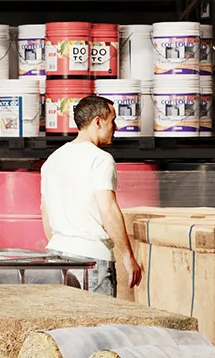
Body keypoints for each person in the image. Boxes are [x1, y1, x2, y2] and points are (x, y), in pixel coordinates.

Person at [40, 93, 140, 296]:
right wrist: (128, 256)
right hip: (91, 259)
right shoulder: (100, 159)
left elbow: (45, 212)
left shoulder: (52, 160)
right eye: (113, 121)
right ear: (98, 122)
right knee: (98, 326)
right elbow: (108, 209)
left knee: (64, 325)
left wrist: (65, 242)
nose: (116, 127)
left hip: (55, 257)